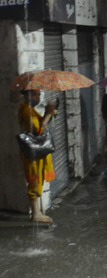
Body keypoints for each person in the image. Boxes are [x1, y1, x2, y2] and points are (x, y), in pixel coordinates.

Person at [17, 89, 58, 224]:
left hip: (35, 152)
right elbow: (38, 129)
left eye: (39, 94)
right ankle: (35, 214)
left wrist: (50, 112)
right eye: (35, 94)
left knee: (38, 179)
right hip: (33, 152)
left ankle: (37, 213)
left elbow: (41, 123)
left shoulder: (30, 109)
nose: (38, 97)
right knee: (35, 180)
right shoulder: (27, 110)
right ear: (27, 95)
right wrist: (47, 115)